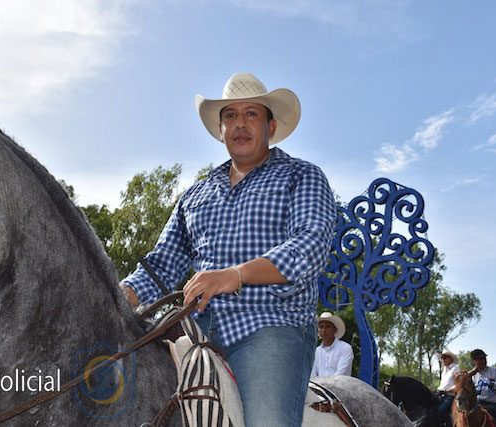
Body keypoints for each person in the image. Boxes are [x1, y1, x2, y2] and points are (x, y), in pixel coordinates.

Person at [120, 73, 336, 426]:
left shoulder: (301, 176)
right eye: (230, 115)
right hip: (195, 327)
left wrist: (235, 275)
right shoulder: (195, 195)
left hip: (270, 326)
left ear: (270, 126)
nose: (240, 124)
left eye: (251, 114)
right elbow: (161, 265)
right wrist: (119, 295)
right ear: (220, 130)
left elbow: (309, 247)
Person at [470, 348, 496, 427]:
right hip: (479, 404)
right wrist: (475, 391)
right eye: (479, 359)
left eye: (484, 358)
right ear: (473, 361)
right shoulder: (472, 375)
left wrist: (492, 384)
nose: (482, 360)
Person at [309, 312, 353, 378]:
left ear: (334, 329)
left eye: (328, 327)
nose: (324, 330)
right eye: (321, 327)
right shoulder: (317, 351)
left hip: (340, 384)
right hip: (319, 384)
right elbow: (313, 373)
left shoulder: (345, 348)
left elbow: (341, 374)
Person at [436, 349, 460, 427]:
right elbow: (443, 384)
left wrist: (447, 390)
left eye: (444, 357)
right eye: (442, 358)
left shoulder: (455, 369)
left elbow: (458, 385)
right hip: (440, 394)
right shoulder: (444, 370)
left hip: (450, 396)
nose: (443, 359)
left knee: (441, 410)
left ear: (450, 358)